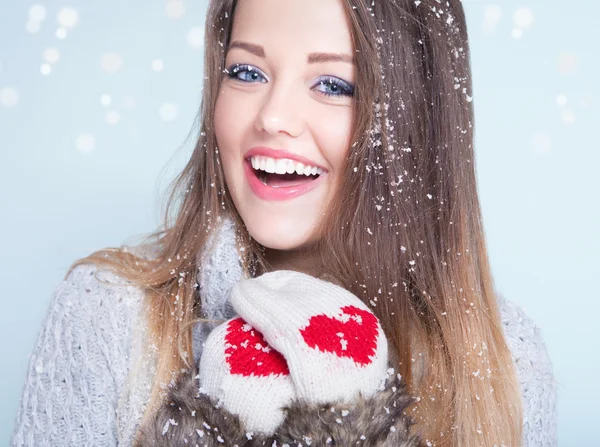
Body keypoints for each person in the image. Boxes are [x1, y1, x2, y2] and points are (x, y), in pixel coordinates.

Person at [10, 0, 557, 445]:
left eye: (333, 85)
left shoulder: (507, 359)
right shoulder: (109, 318)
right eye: (247, 72)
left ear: (415, 123)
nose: (272, 115)